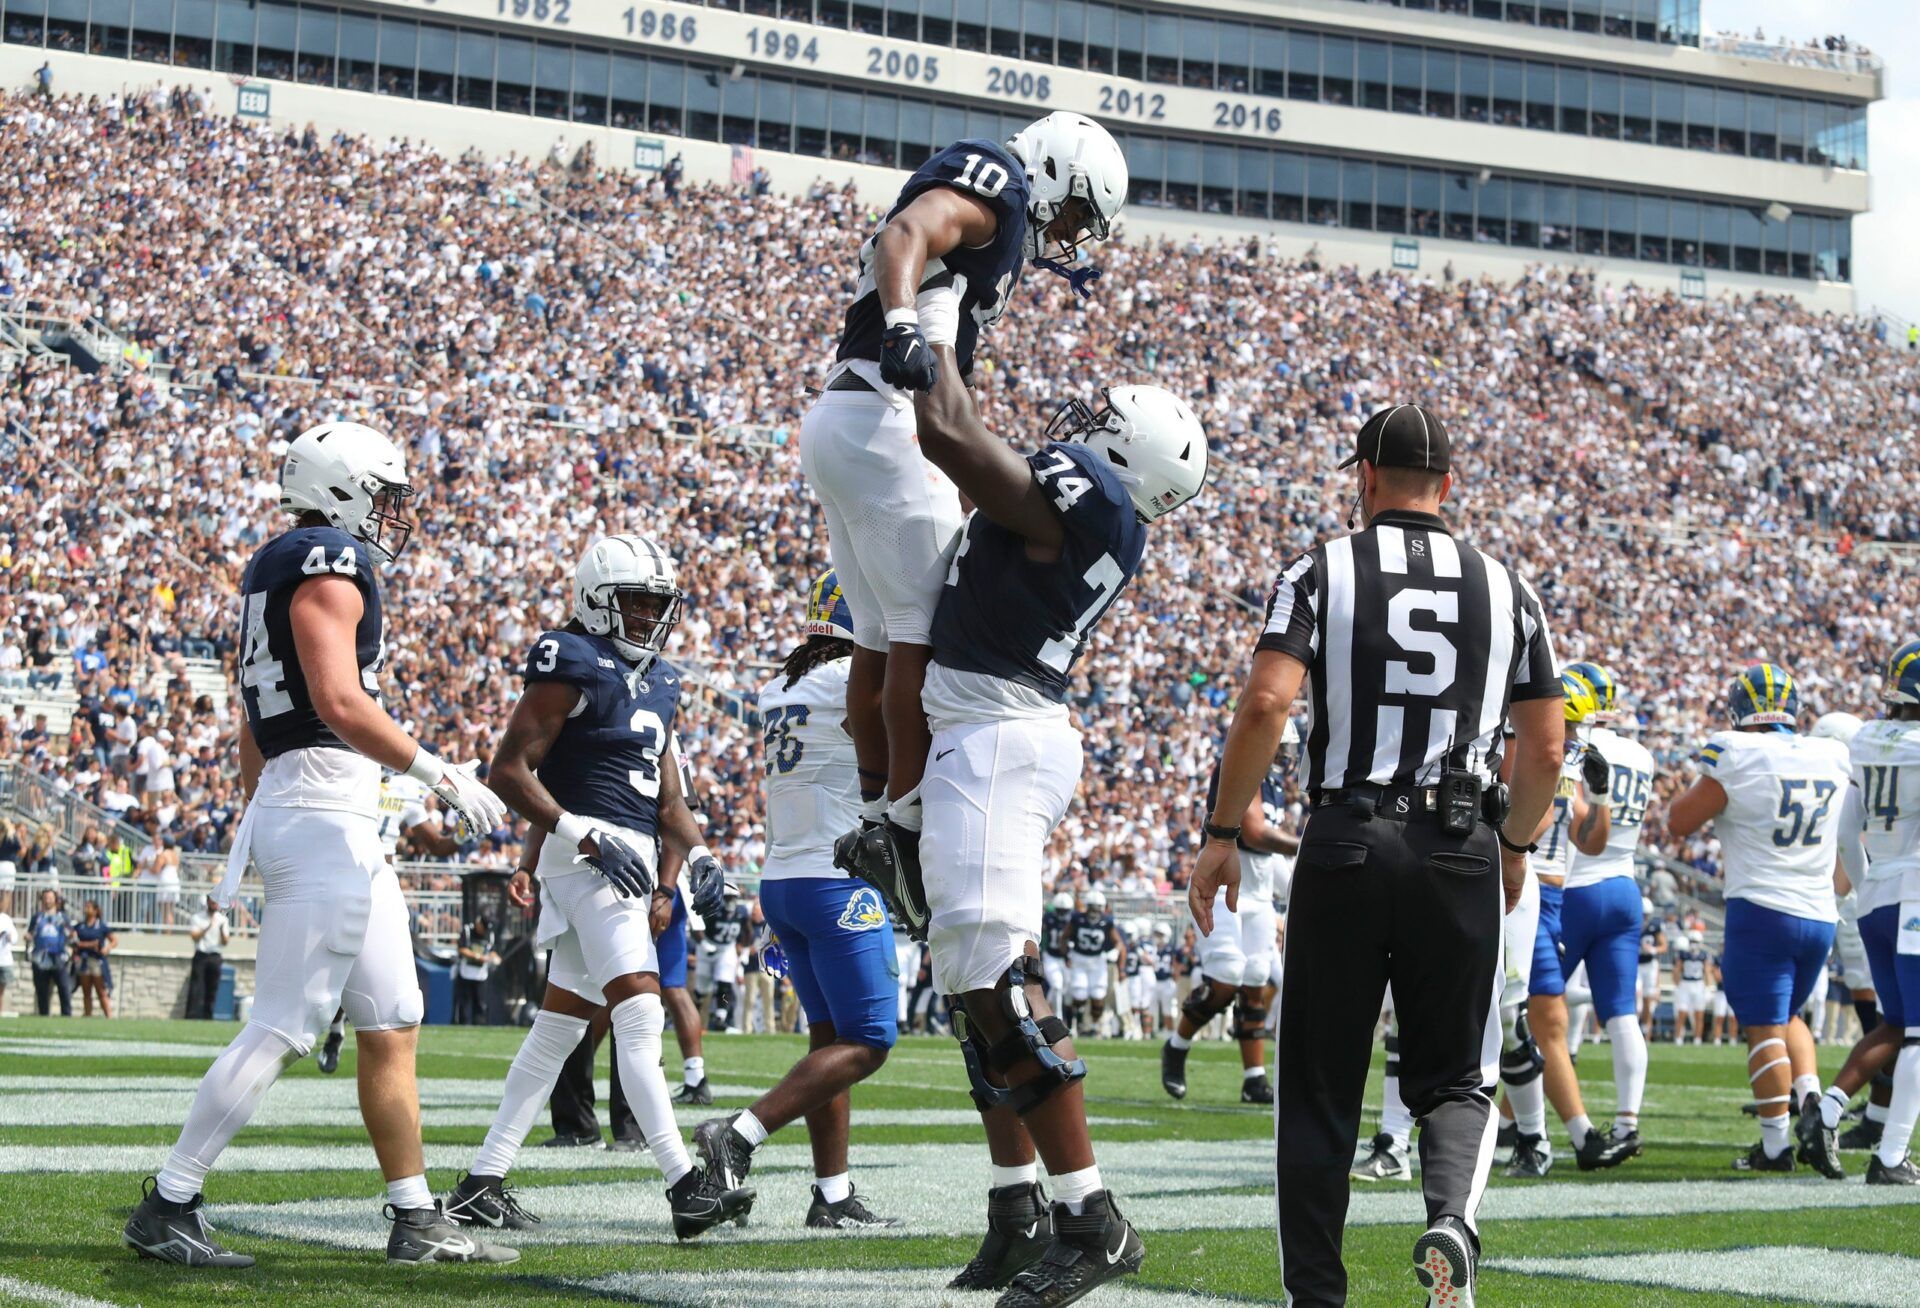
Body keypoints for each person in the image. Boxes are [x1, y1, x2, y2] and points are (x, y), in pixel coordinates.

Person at [1192, 404, 1563, 1308]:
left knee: (1319, 1087)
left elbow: (1267, 705)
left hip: (1348, 837)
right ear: (1450, 483)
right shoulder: (1508, 586)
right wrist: (1515, 843)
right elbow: (1546, 748)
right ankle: (1448, 1221)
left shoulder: (1321, 567)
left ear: (1363, 473)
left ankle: (1316, 1294)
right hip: (1462, 844)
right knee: (1456, 1075)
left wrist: (1223, 830)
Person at [124, 420, 517, 1269]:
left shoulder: (278, 562)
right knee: (280, 1026)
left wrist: (272, 807)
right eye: (382, 493)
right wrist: (436, 771)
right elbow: (339, 701)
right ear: (342, 488)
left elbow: (256, 730)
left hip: (324, 806)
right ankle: (169, 1200)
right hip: (323, 814)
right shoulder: (330, 562)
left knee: (394, 1017)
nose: (391, 513)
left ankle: (413, 1216)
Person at [905, 347, 1206, 1305]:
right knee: (973, 996)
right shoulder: (1108, 513)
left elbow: (952, 438)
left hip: (997, 734)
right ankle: (1018, 1210)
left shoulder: (1096, 503)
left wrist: (925, 335)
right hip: (986, 729)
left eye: (1102, 419)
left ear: (1126, 454)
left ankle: (1091, 1217)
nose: (1080, 424)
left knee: (1001, 983)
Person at [809, 113, 1128, 935]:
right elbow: (907, 231)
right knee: (918, 627)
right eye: (1076, 211)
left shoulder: (1004, 206)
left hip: (837, 417)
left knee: (878, 635)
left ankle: (881, 807)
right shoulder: (1003, 183)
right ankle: (903, 827)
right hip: (880, 417)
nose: (1066, 232)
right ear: (1058, 168)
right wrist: (907, 324)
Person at [442, 533, 751, 1241]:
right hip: (590, 856)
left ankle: (482, 1181)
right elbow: (509, 770)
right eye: (636, 604)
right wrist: (581, 833)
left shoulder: (664, 680)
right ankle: (685, 1183)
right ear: (594, 599)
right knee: (640, 1016)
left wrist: (699, 852)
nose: (649, 618)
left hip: (629, 856)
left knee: (557, 1030)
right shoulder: (571, 657)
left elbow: (669, 799)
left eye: (656, 605)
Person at [693, 569, 904, 1230]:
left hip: (783, 879)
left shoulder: (777, 684)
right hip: (835, 882)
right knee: (869, 1041)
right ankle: (739, 1136)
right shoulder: (852, 679)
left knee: (828, 1044)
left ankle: (833, 1195)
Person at [1665, 664, 1851, 1176]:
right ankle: (1811, 1102)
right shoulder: (1831, 753)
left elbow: (1678, 821)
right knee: (1789, 1017)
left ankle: (1775, 1147)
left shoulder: (1735, 751)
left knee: (1763, 1027)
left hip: (1762, 909)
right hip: (1819, 913)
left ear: (1740, 710)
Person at [1514, 667, 1639, 1176]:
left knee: (1527, 1022)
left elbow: (1591, 841)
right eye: (1572, 726)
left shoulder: (1564, 763)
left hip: (1554, 899)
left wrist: (1602, 796)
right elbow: (1527, 820)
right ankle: (1572, 1137)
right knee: (1547, 1020)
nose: (1576, 738)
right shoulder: (1525, 753)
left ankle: (1531, 1136)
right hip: (1526, 890)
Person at [1823, 639, 1920, 1185]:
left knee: (1903, 1024)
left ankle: (1833, 1108)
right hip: (1913, 891)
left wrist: (1864, 889)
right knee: (1919, 1035)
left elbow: (1844, 830)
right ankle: (1890, 1157)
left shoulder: (1864, 737)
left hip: (1877, 893)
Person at [1163, 726, 1299, 1105]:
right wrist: (1305, 845)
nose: (1286, 756)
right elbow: (1254, 833)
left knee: (1256, 979)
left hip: (1256, 891)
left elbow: (1267, 851)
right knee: (1227, 976)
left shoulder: (1271, 783)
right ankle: (1176, 1046)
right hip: (1224, 885)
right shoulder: (1241, 765)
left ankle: (1253, 1078)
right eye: (1283, 747)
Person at [1555, 664, 1658, 1154]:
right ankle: (1628, 1120)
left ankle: (1524, 1124)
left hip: (1576, 883)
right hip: (1625, 884)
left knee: (1534, 1005)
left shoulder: (1579, 748)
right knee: (1622, 1013)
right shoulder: (1641, 753)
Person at [318, 770, 460, 1073]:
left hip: (382, 885)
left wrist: (465, 829)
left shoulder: (406, 787)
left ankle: (371, 1044)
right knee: (337, 962)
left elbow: (437, 845)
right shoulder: (349, 772)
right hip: (341, 875)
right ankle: (334, 1029)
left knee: (389, 980)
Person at [1065, 888, 1120, 1038]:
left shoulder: (1107, 921)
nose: (1095, 911)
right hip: (1079, 958)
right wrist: (1066, 956)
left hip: (1098, 960)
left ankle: (1095, 1027)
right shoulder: (1077, 918)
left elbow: (1118, 942)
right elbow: (1064, 937)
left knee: (1098, 995)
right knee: (1079, 993)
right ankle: (1076, 1023)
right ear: (1087, 906)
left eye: (1098, 908)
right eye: (1092, 907)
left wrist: (1115, 951)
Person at [28, 888, 72, 1017]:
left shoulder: (62, 917)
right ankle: (43, 1015)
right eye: (45, 898)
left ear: (55, 900)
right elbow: (31, 933)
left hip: (58, 956)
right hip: (41, 957)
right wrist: (28, 938)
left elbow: (70, 933)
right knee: (41, 990)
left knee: (64, 988)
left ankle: (66, 1015)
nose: (47, 900)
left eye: (50, 897)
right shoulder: (37, 917)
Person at [186, 894, 229, 1021]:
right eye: (212, 902)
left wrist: (220, 929)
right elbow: (194, 936)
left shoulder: (222, 920)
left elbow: (225, 942)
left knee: (212, 987)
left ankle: (208, 1016)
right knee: (196, 987)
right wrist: (208, 927)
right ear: (208, 902)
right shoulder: (197, 918)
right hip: (201, 955)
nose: (214, 905)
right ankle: (191, 1016)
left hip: (215, 956)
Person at [71, 898, 115, 1019]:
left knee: (101, 990)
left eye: (89, 907)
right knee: (86, 990)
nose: (86, 909)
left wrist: (107, 948)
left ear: (95, 911)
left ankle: (109, 1015)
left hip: (96, 960)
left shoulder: (100, 926)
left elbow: (114, 940)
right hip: (84, 960)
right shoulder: (80, 926)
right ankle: (87, 1014)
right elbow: (74, 940)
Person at [453, 916, 499, 1026]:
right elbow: (461, 948)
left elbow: (492, 951)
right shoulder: (468, 931)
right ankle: (462, 1023)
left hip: (480, 975)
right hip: (466, 973)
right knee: (464, 1002)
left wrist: (494, 958)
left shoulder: (490, 935)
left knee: (480, 1002)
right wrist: (478, 956)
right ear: (479, 924)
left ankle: (479, 1024)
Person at [1671, 929, 1713, 1044]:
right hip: (1685, 984)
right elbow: (1677, 970)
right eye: (1692, 941)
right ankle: (1679, 1038)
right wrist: (1677, 985)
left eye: (1696, 941)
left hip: (1698, 984)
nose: (1694, 943)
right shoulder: (1683, 954)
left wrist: (1709, 987)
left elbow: (1707, 971)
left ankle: (1698, 1039)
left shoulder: (1704, 955)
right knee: (1682, 1012)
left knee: (1699, 1013)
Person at [1636, 898, 1667, 1039]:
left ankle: (1645, 1031)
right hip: (1635, 964)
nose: (1644, 918)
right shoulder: (1632, 923)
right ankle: (1634, 1027)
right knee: (1636, 996)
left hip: (1649, 964)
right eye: (1643, 915)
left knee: (1648, 999)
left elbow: (1664, 946)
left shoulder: (1654, 926)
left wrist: (1653, 950)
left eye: (1646, 915)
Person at [0, 901, 15, 1016]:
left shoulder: (6, 919)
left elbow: (14, 938)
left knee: (1, 990)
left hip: (4, 960)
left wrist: (10, 937)